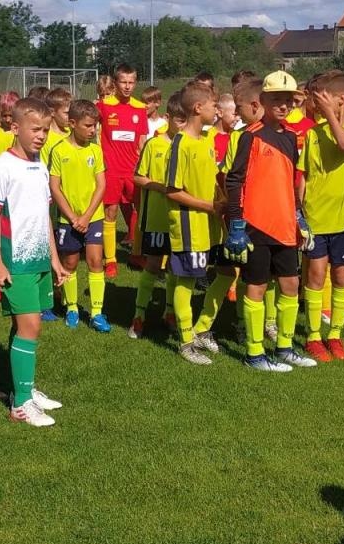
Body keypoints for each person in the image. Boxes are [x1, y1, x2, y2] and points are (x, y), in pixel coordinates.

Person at [0, 98, 67, 428]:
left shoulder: (39, 164)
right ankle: (19, 405)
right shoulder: (1, 167)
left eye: (45, 130)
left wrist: (54, 259)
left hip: (38, 259)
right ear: (15, 128)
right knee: (31, 326)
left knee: (26, 326)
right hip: (14, 261)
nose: (41, 136)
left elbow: (43, 215)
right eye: (35, 129)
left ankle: (26, 388)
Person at [223, 73, 315, 372]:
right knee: (257, 286)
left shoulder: (291, 137)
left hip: (285, 225)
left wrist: (298, 216)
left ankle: (285, 348)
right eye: (276, 99)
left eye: (288, 100)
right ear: (262, 101)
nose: (284, 105)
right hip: (256, 225)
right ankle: (254, 353)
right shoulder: (250, 136)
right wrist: (236, 223)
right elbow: (234, 180)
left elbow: (290, 181)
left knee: (291, 284)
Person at [298, 71, 344, 362]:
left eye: (321, 98)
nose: (315, 103)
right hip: (315, 218)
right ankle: (314, 336)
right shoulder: (312, 133)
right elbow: (305, 176)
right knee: (315, 276)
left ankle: (335, 335)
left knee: (341, 276)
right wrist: (298, 212)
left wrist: (330, 114)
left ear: (340, 99)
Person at [165, 86, 232, 366]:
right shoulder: (180, 144)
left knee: (227, 272)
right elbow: (172, 190)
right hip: (190, 225)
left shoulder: (207, 140)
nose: (217, 110)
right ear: (197, 108)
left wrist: (223, 201)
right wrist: (208, 206)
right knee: (187, 280)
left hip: (213, 224)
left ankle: (202, 328)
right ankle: (185, 342)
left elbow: (212, 178)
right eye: (213, 105)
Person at [49, 100, 110, 332]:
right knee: (70, 263)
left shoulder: (95, 150)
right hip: (68, 220)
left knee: (95, 261)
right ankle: (72, 308)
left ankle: (96, 312)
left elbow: (101, 185)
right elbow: (55, 187)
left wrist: (86, 216)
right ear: (72, 123)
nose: (93, 130)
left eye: (95, 125)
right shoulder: (59, 150)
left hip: (93, 218)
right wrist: (73, 217)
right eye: (88, 125)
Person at [129, 95, 180, 338]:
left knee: (175, 266)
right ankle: (139, 315)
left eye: (187, 120)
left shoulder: (191, 145)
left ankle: (169, 311)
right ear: (168, 118)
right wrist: (160, 187)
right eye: (179, 119)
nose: (183, 125)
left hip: (181, 219)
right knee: (153, 264)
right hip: (156, 218)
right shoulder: (154, 144)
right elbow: (138, 177)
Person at [97, 63, 149, 278]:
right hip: (111, 170)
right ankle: (110, 260)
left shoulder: (140, 108)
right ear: (115, 83)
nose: (127, 86)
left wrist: (143, 168)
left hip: (132, 171)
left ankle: (136, 253)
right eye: (123, 82)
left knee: (139, 211)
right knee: (110, 213)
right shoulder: (103, 105)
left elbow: (142, 141)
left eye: (131, 82)